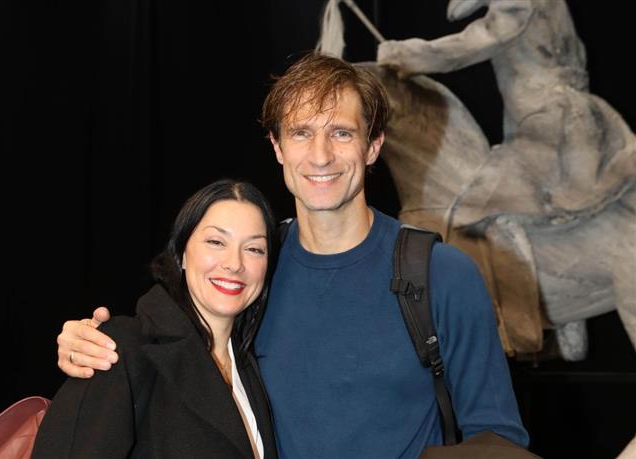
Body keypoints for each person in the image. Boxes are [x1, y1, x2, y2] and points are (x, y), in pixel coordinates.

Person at [52, 52, 530, 458]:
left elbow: (498, 439)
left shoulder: (440, 274)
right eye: (301, 133)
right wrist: (92, 341)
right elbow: (169, 339)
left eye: (341, 133)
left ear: (373, 146)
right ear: (277, 147)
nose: (320, 156)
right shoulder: (255, 268)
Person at [32, 179, 278, 458]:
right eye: (216, 242)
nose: (234, 264)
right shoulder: (119, 347)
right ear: (182, 254)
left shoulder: (252, 371)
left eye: (254, 249)